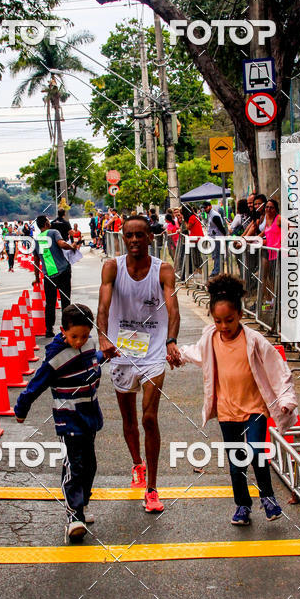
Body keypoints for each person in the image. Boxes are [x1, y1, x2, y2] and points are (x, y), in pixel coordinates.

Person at [174, 274, 298, 525]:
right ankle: (242, 505)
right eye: (218, 321)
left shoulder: (254, 340)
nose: (223, 326)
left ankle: (268, 498)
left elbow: (278, 369)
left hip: (255, 409)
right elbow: (196, 353)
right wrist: (178, 355)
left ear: (240, 315)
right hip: (226, 411)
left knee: (255, 452)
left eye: (229, 320)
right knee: (235, 462)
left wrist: (286, 399)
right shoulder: (210, 339)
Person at [97, 215, 180, 513]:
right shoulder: (112, 267)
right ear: (122, 237)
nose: (134, 240)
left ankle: (153, 488)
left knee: (149, 418)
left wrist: (171, 341)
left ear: (150, 238)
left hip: (154, 349)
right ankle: (137, 463)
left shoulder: (163, 270)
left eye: (139, 235)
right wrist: (104, 338)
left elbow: (173, 309)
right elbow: (103, 307)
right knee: (128, 418)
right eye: (129, 235)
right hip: (121, 351)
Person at [14, 304, 103, 541]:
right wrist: (22, 406)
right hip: (69, 419)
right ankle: (74, 515)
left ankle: (81, 505)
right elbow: (36, 384)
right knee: (74, 465)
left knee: (90, 464)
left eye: (84, 336)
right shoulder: (56, 357)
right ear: (63, 331)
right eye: (74, 337)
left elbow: (93, 360)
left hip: (90, 415)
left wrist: (106, 355)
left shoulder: (90, 344)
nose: (79, 341)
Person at [33, 215, 77, 338]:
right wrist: (72, 246)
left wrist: (37, 278)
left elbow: (36, 260)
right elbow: (62, 244)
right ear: (46, 223)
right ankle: (67, 327)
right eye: (48, 220)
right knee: (65, 300)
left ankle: (49, 329)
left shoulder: (36, 239)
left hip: (49, 274)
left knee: (50, 303)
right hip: (63, 270)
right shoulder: (53, 232)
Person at [202, 200, 228, 277]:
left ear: (210, 206)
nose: (205, 209)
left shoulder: (214, 215)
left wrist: (225, 236)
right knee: (215, 255)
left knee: (217, 255)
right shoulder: (210, 214)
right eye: (204, 208)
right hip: (214, 238)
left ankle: (216, 271)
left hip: (217, 238)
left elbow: (221, 227)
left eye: (206, 207)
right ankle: (216, 270)